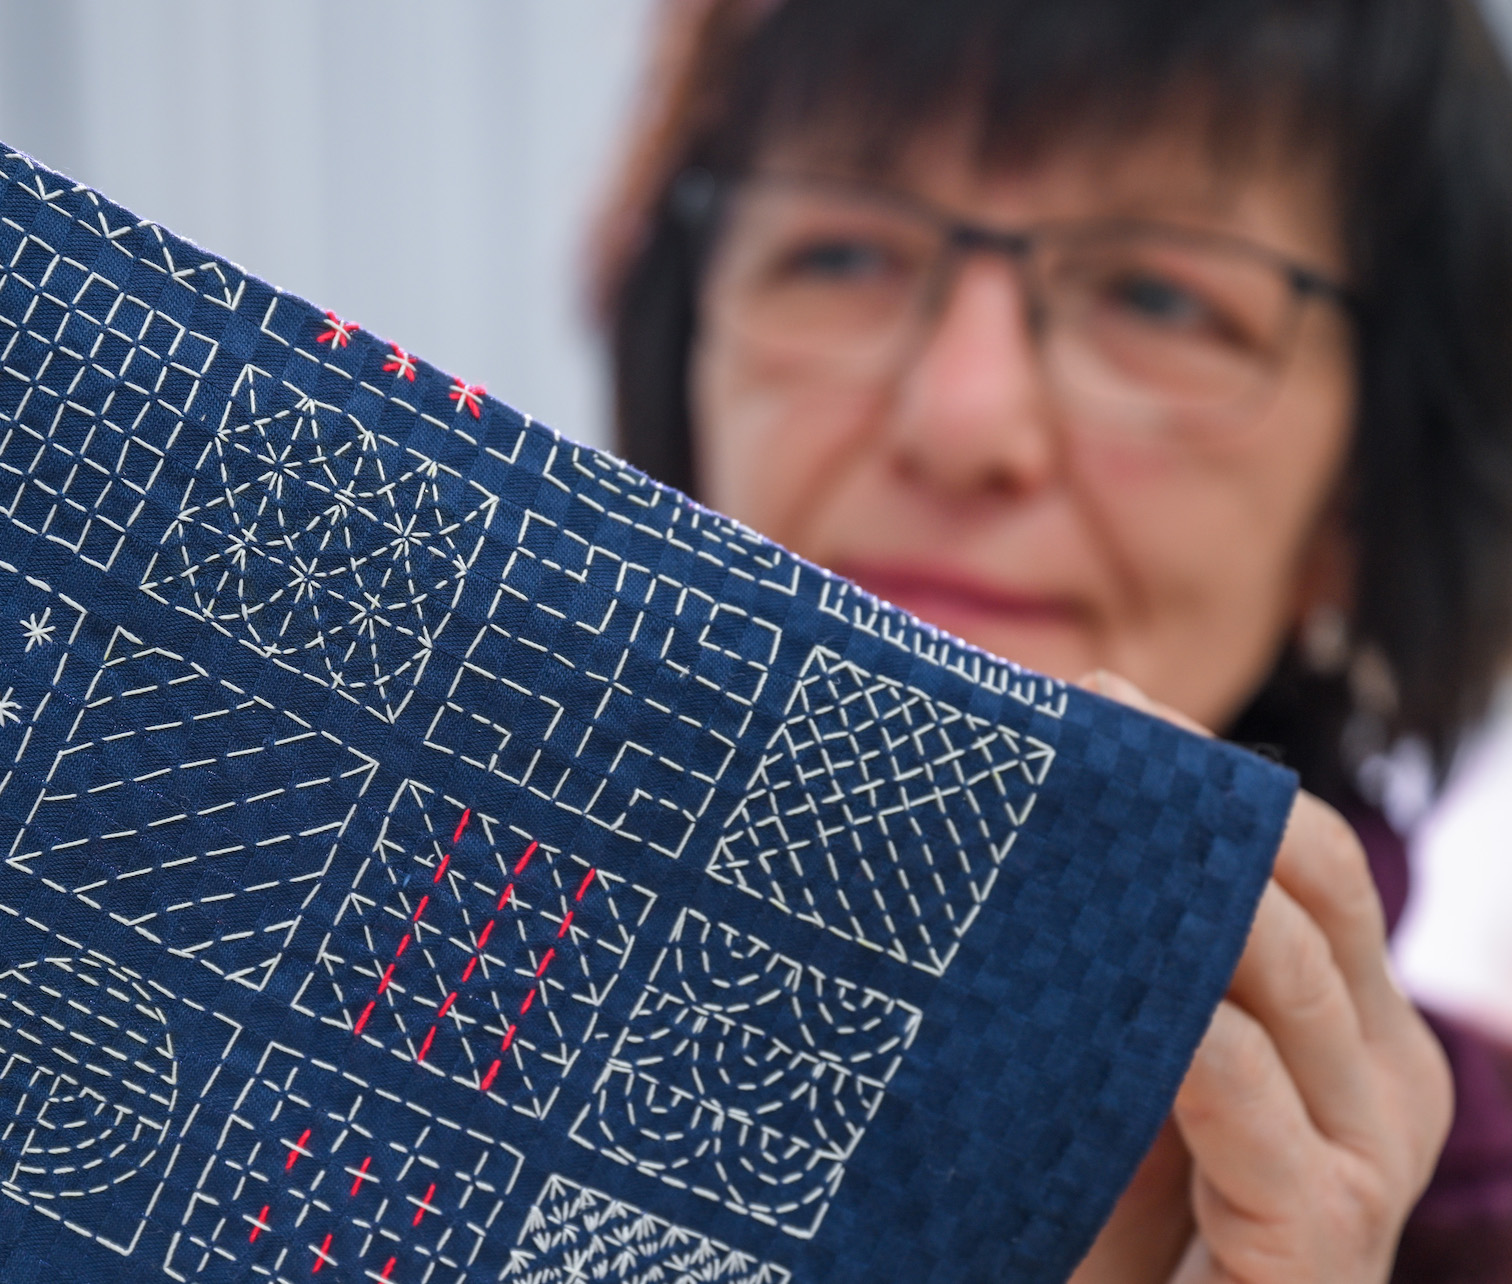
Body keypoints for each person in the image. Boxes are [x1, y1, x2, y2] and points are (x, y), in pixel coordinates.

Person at [591, 0, 1512, 1278]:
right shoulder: (331, 1035)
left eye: (1157, 295)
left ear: (1356, 506)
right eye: (843, 255)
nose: (963, 420)